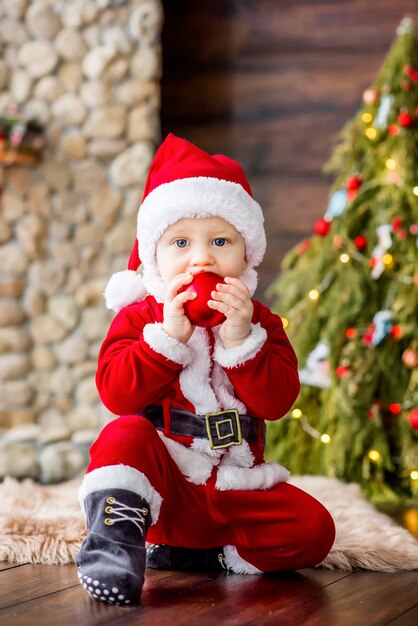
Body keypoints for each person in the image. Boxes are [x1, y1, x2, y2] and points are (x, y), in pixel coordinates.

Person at [76, 134, 336, 606]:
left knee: (315, 530)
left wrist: (241, 342)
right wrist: (167, 341)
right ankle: (116, 545)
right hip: (168, 488)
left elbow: (277, 403)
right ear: (155, 254)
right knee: (123, 435)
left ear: (246, 252)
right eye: (180, 242)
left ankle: (213, 555)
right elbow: (116, 393)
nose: (202, 258)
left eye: (220, 241)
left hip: (235, 488)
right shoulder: (142, 318)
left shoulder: (259, 321)